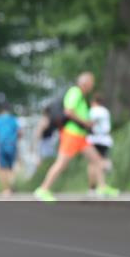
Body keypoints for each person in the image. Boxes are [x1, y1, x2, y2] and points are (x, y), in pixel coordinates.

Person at [34, 73, 119, 201]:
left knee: (96, 159)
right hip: (72, 135)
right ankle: (43, 189)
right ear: (85, 82)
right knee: (61, 163)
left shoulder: (80, 95)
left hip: (81, 136)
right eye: (91, 82)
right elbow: (69, 111)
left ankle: (102, 187)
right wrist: (85, 123)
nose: (92, 85)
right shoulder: (75, 92)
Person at [0, 103, 19, 196]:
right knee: (11, 167)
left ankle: (5, 189)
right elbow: (20, 132)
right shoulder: (13, 119)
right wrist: (16, 138)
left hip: (2, 145)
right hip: (12, 145)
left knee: (2, 168)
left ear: (1, 110)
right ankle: (11, 187)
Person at [87, 94, 114, 189]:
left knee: (92, 163)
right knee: (100, 160)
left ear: (93, 102)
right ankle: (106, 166)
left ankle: (92, 187)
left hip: (93, 138)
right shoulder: (105, 111)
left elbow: (91, 123)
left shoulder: (93, 111)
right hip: (104, 140)